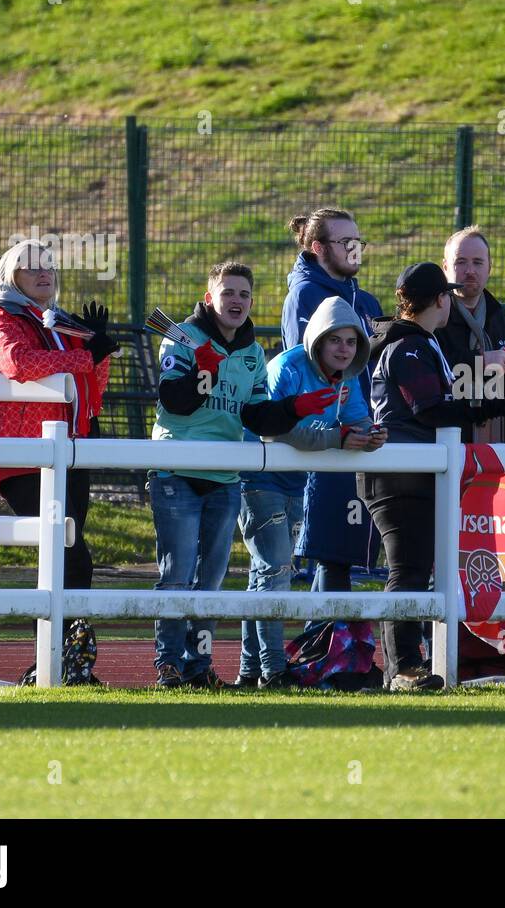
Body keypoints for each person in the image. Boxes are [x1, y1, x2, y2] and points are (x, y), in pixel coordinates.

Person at [150, 261, 335, 689]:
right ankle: (168, 664)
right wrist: (204, 372)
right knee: (177, 575)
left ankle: (197, 666)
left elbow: (255, 415)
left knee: (211, 581)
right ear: (210, 296)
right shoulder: (182, 338)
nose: (237, 301)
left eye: (244, 294)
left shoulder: (252, 353)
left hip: (227, 477)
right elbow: (174, 402)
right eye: (228, 292)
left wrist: (293, 408)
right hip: (177, 472)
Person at [360, 261, 505, 690]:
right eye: (447, 295)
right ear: (440, 300)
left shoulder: (417, 343)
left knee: (417, 571)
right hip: (402, 476)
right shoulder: (410, 346)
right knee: (407, 572)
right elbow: (427, 409)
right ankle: (402, 669)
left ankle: (412, 663)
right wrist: (495, 406)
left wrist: (494, 402)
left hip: (413, 473)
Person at [232, 296, 387, 689]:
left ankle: (250, 672)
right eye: (335, 340)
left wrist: (371, 436)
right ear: (317, 339)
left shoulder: (347, 377)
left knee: (264, 575)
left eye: (351, 342)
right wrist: (339, 438)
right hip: (258, 479)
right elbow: (277, 429)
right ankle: (272, 671)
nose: (343, 349)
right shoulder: (285, 367)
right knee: (275, 573)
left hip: (295, 483)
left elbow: (355, 422)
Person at [0, 239, 116, 660]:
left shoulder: (57, 322)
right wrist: (84, 358)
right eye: (31, 268)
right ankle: (63, 658)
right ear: (10, 277)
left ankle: (65, 659)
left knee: (69, 557)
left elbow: (94, 389)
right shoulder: (3, 320)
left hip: (72, 455)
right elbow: (19, 363)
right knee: (71, 557)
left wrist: (99, 349)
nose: (44, 274)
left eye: (50, 267)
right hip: (25, 462)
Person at [282, 208, 385, 598]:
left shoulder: (366, 300)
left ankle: (338, 646)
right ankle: (323, 647)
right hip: (327, 435)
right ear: (317, 247)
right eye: (346, 242)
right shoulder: (306, 294)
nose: (355, 249)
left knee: (348, 553)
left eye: (358, 241)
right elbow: (309, 367)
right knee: (331, 552)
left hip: (361, 433)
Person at [435, 225, 505, 443]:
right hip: (443, 445)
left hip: (497, 448)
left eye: (477, 262)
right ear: (445, 267)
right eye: (460, 261)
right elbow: (428, 370)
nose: (470, 270)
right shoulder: (431, 317)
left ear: (489, 268)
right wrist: (481, 361)